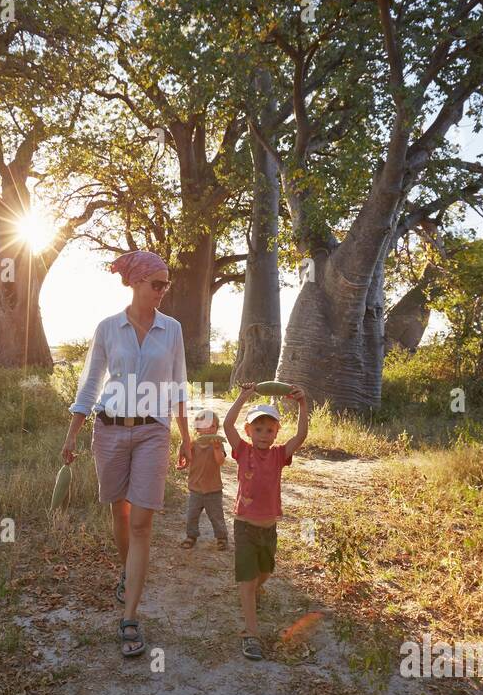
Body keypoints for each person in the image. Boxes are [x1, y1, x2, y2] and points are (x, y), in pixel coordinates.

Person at [61, 249, 192, 657]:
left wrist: (186, 438)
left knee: (141, 525)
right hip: (110, 431)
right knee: (118, 513)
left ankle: (130, 617)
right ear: (135, 283)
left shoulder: (172, 330)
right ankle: (127, 572)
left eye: (166, 285)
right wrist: (71, 435)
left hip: (153, 432)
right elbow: (90, 384)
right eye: (157, 284)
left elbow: (178, 387)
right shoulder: (107, 329)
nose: (162, 291)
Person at [223, 383, 308, 660]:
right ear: (248, 431)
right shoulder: (243, 451)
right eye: (257, 429)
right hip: (245, 526)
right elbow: (226, 424)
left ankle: (252, 591)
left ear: (275, 433)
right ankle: (251, 634)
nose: (263, 434)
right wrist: (244, 396)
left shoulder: (279, 455)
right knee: (247, 582)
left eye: (269, 430)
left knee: (265, 573)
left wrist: (302, 405)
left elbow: (302, 435)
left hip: (269, 528)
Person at [181, 408, 228, 550]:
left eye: (213, 426)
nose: (209, 429)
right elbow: (186, 459)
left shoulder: (218, 444)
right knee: (192, 515)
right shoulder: (193, 444)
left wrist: (216, 449)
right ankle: (191, 535)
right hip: (196, 488)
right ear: (197, 428)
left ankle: (221, 537)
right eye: (205, 425)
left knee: (216, 515)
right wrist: (183, 456)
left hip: (213, 489)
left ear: (217, 428)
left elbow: (220, 461)